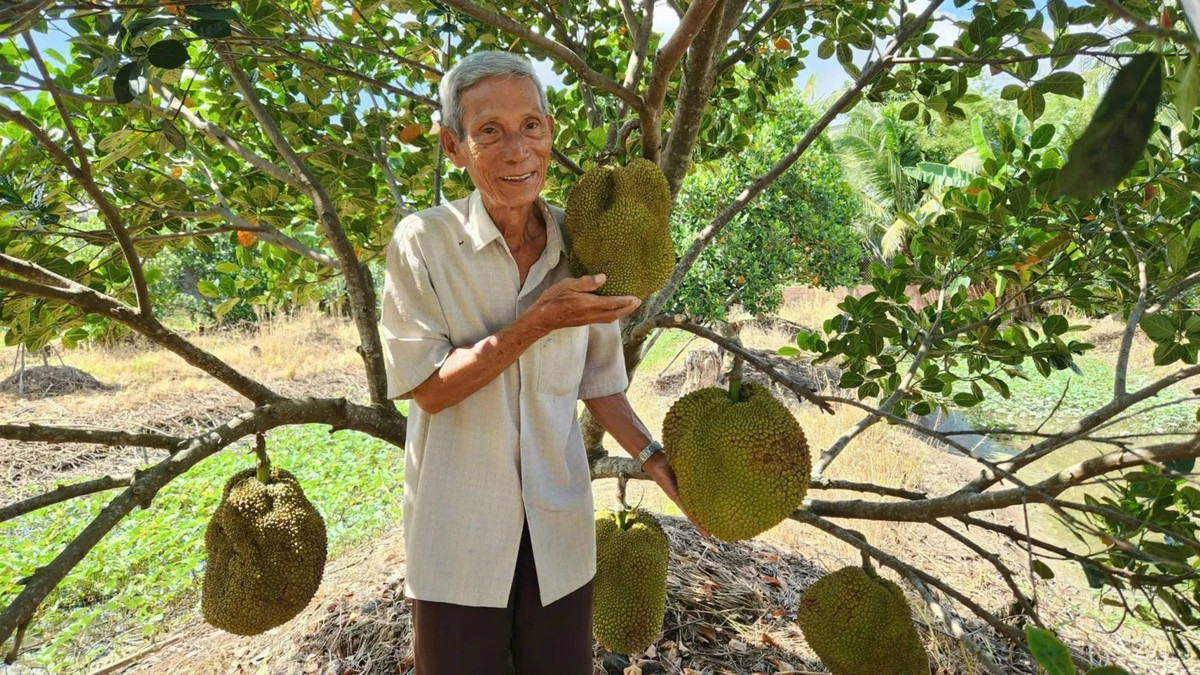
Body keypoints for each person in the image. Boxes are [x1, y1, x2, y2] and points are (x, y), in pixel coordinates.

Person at [379, 51, 708, 675]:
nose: (517, 150)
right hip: (459, 540)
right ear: (453, 146)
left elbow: (599, 382)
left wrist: (654, 459)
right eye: (490, 131)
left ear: (550, 134)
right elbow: (428, 390)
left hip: (559, 535)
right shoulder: (422, 243)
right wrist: (535, 323)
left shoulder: (583, 242)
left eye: (532, 125)